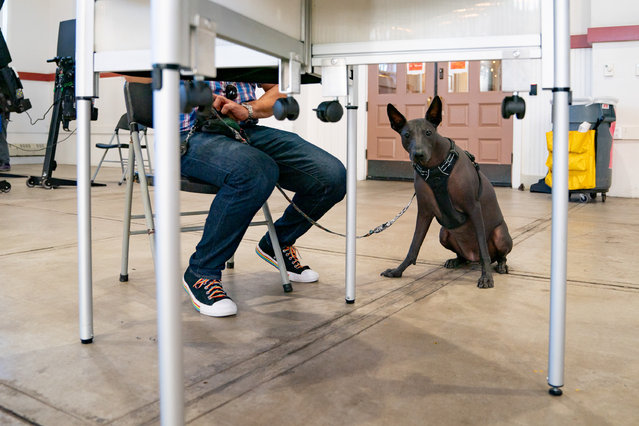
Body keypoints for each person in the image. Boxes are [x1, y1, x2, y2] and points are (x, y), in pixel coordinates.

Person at [180, 81, 346, 317]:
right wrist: (194, 97)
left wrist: (248, 109)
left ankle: (277, 243)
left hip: (245, 129)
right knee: (255, 170)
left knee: (331, 176)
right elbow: (139, 80)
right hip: (190, 135)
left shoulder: (251, 47)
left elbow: (280, 88)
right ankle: (201, 271)